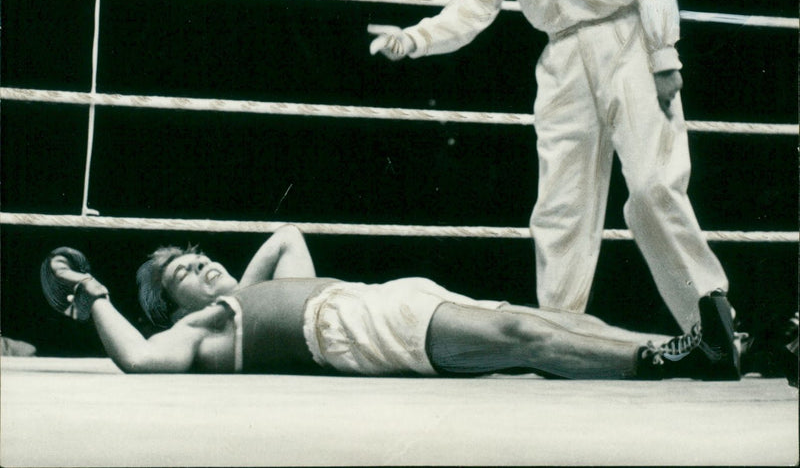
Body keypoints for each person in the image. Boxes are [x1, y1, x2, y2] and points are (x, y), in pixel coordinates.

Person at [368, 0, 732, 336]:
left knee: (654, 188)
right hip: (562, 63)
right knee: (560, 207)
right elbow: (472, 10)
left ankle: (712, 325)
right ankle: (561, 337)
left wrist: (664, 56)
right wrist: (414, 39)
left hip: (628, 42)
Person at [40, 224, 740, 379]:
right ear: (172, 304)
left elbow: (287, 236)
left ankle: (709, 346)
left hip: (380, 298)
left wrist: (234, 289)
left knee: (566, 319)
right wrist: (94, 294)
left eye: (201, 253)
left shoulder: (247, 296)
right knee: (522, 330)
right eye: (188, 271)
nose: (205, 264)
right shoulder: (191, 332)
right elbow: (134, 356)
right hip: (348, 326)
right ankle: (672, 358)